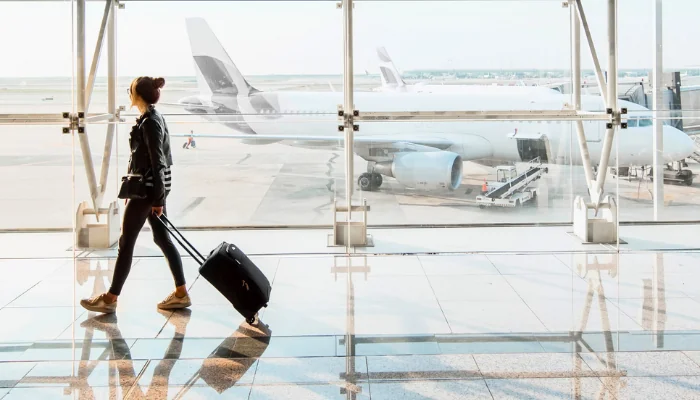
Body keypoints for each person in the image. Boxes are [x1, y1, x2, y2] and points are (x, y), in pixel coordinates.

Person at [80, 76, 191, 314]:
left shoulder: (150, 121)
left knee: (126, 241)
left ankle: (110, 299)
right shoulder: (152, 117)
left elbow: (157, 161)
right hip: (152, 188)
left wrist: (158, 199)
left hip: (149, 190)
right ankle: (181, 293)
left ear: (137, 95)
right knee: (162, 239)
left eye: (130, 91)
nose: (128, 94)